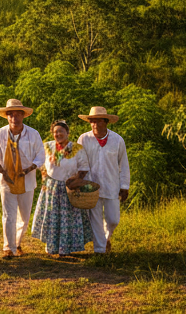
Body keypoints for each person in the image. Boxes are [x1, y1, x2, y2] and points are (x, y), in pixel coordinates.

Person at [0, 98, 46, 259]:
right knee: (9, 215)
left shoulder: (33, 134)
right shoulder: (0, 134)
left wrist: (28, 169)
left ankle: (17, 242)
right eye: (11, 115)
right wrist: (2, 170)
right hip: (6, 180)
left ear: (23, 116)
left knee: (24, 216)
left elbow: (40, 156)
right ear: (7, 117)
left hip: (27, 180)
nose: (14, 118)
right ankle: (8, 247)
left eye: (17, 114)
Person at [31, 119, 94, 257]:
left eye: (61, 131)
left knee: (67, 219)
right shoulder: (47, 147)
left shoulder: (76, 148)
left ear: (67, 132)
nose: (58, 134)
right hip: (51, 188)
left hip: (69, 187)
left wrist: (76, 180)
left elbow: (84, 168)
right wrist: (44, 176)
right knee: (52, 218)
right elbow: (41, 164)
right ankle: (51, 247)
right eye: (55, 132)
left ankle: (66, 249)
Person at [77, 106, 131, 255]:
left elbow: (123, 164)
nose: (94, 124)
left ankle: (107, 238)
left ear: (106, 122)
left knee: (113, 219)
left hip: (111, 185)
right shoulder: (84, 138)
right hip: (91, 185)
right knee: (95, 219)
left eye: (97, 121)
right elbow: (79, 160)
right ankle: (100, 250)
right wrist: (78, 181)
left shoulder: (117, 140)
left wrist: (124, 185)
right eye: (91, 121)